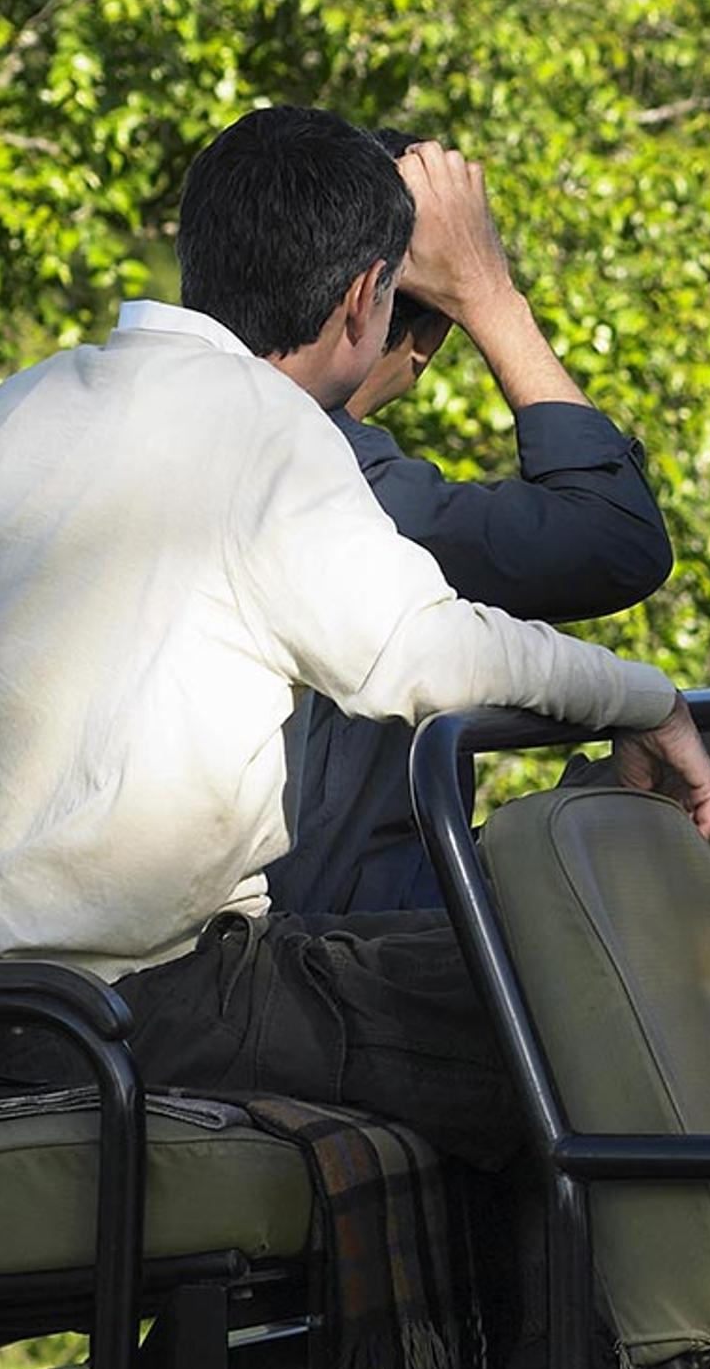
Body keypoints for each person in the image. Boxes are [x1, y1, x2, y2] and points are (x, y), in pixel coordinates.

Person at [0, 105, 710, 1185]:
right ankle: (533, 1361)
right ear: (361, 300)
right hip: (161, 1002)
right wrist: (645, 697)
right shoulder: (275, 430)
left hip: (2, 998)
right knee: (597, 1019)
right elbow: (424, 656)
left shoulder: (33, 397)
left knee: (517, 980)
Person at [269, 118, 676, 914]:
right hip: (332, 957)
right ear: (403, 331)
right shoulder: (328, 474)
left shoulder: (104, 419)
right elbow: (615, 540)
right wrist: (490, 295)